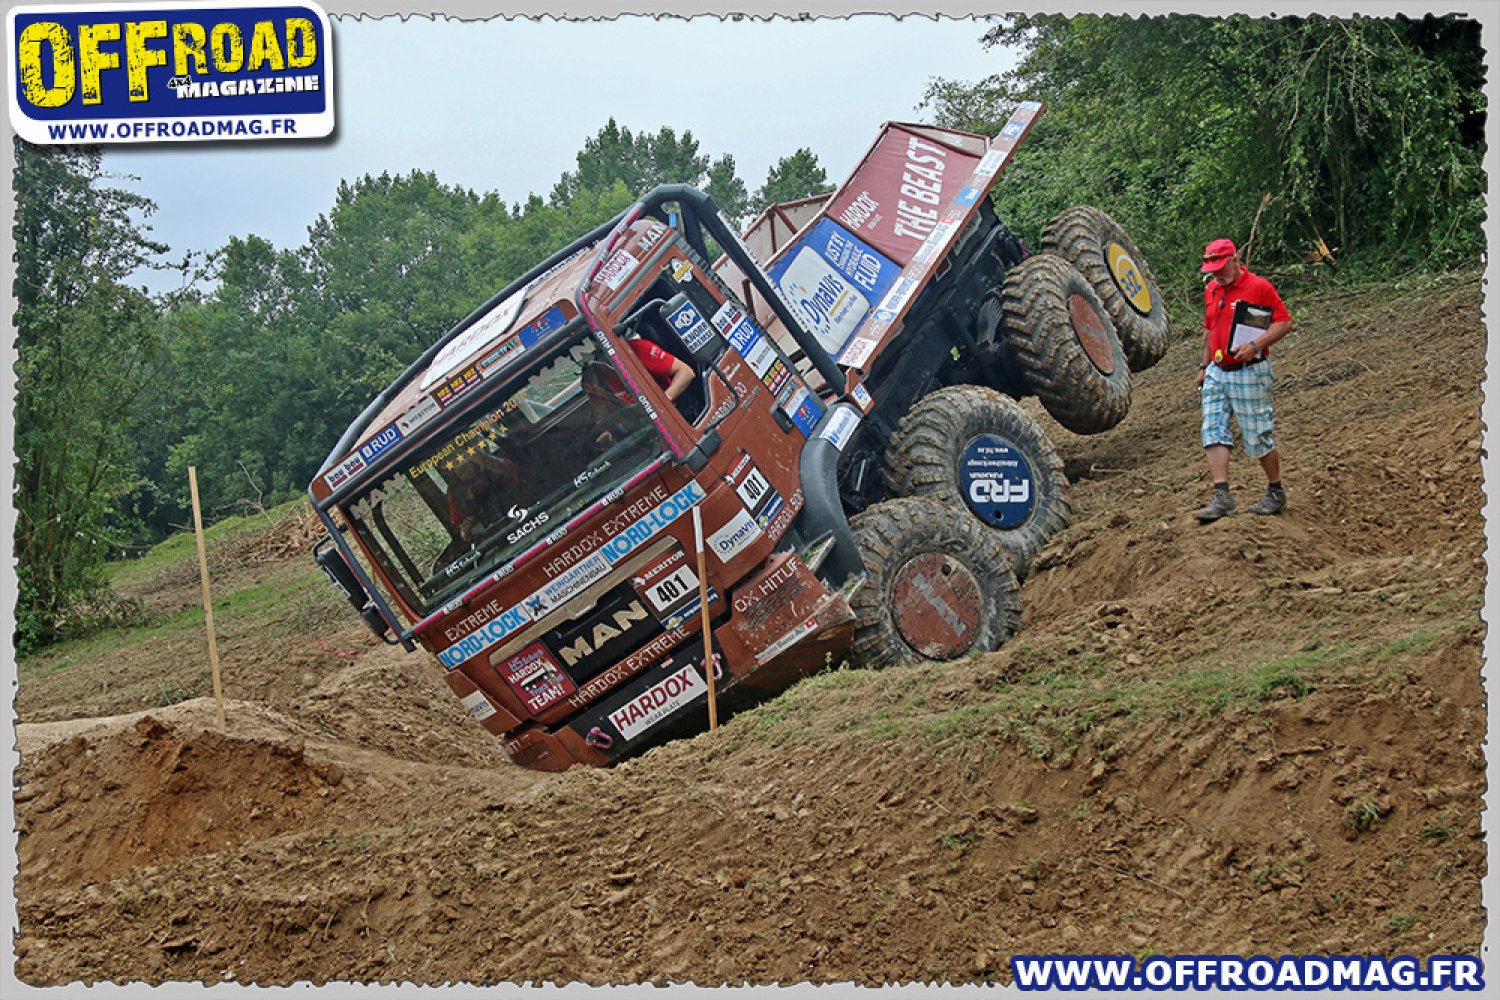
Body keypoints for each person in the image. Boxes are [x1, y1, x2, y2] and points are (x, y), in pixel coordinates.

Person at [1192, 238, 1294, 522]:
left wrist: (1256, 345)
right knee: (1212, 428)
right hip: (1217, 370)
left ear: (1235, 261)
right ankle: (1221, 494)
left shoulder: (1259, 287)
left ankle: (1275, 490)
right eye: (1212, 271)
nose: (1216, 275)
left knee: (1258, 434)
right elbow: (1209, 330)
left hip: (1250, 370)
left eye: (1221, 269)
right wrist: (1204, 366)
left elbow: (1284, 322)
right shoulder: (1212, 290)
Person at [445, 445, 520, 541]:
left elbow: (509, 473)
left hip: (524, 517)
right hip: (493, 538)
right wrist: (470, 521)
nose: (465, 469)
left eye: (466, 462)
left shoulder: (496, 468)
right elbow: (464, 531)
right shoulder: (456, 494)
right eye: (459, 469)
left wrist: (485, 459)